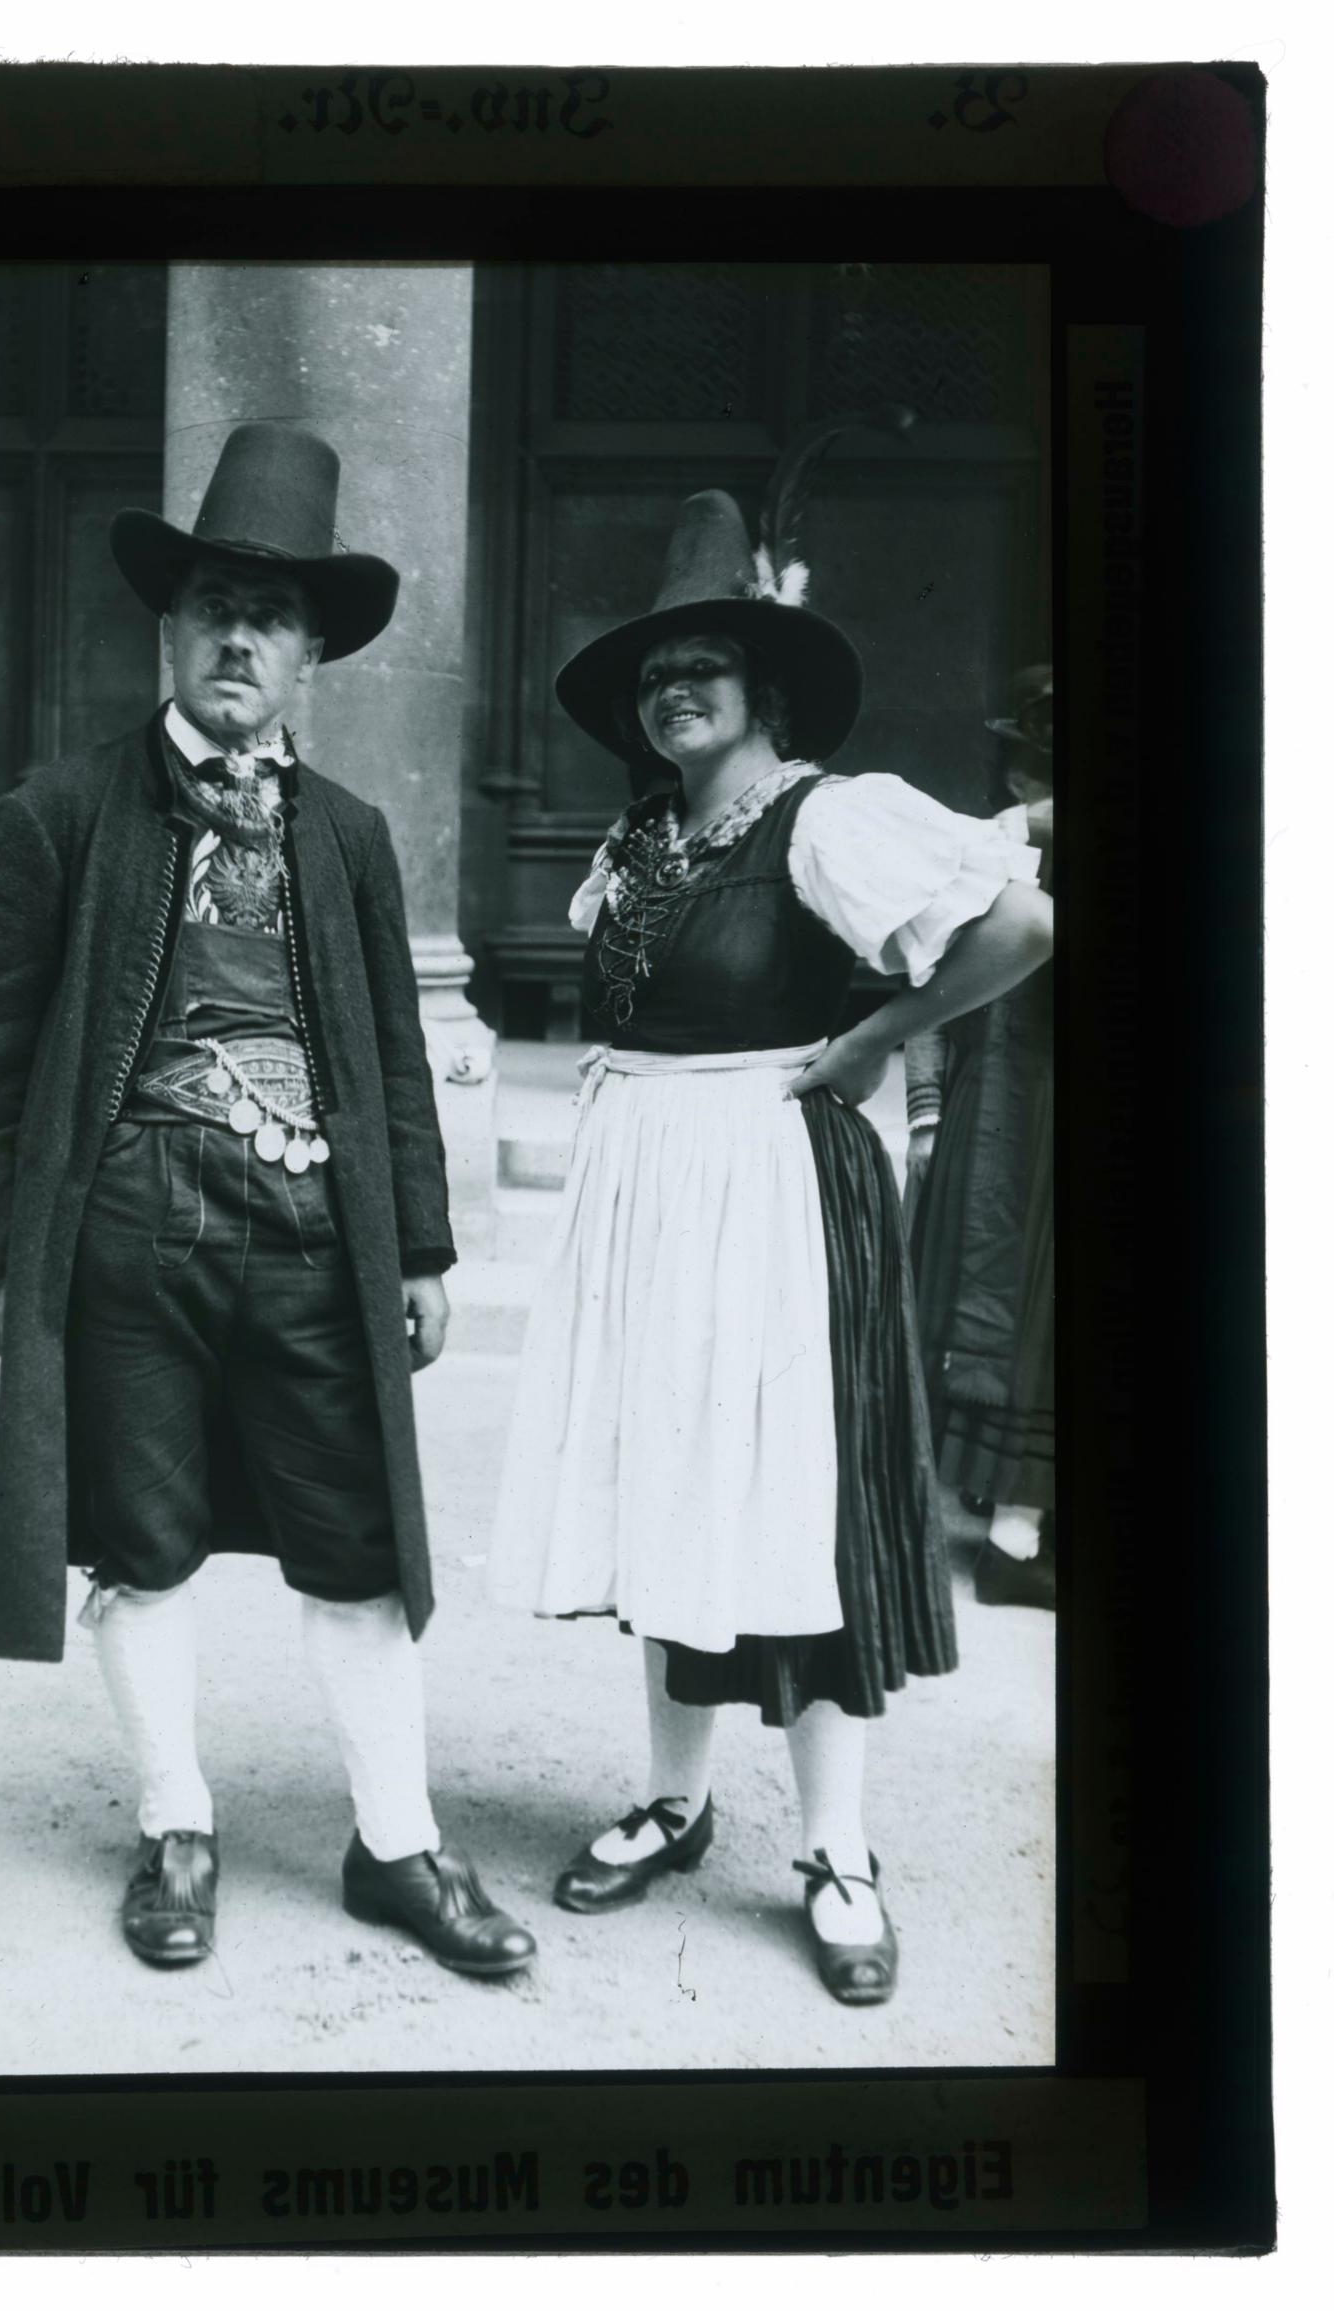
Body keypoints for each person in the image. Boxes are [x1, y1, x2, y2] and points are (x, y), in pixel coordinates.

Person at [0, 422, 534, 1980]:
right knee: (143, 1540)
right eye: (213, 609)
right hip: (128, 1234)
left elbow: (393, 1051)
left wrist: (423, 1245)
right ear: (170, 630)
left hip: (318, 1238)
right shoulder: (60, 812)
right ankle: (175, 1821)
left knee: (358, 1541)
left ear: (312, 651)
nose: (238, 640)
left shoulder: (351, 835)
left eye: (270, 617)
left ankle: (396, 1841)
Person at [485, 464, 1053, 2005]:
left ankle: (838, 1847)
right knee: (667, 1479)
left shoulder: (825, 820)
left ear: (766, 689)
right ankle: (675, 1798)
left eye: (703, 666)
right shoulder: (643, 842)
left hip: (776, 1184)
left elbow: (1021, 924)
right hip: (650, 1184)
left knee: (802, 1499)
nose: (674, 689)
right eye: (654, 673)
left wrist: (878, 1036)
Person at [903, 666, 1057, 1610]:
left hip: (1027, 1102)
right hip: (1004, 1103)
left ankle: (1016, 1515)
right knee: (1008, 1304)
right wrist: (925, 1107)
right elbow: (927, 978)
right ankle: (1012, 1529)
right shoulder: (989, 846)